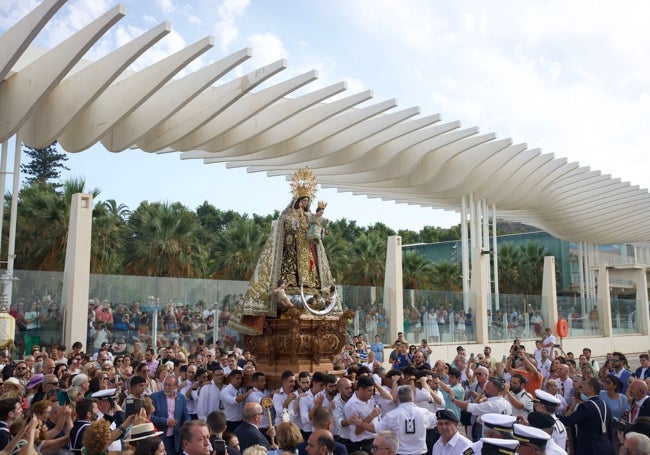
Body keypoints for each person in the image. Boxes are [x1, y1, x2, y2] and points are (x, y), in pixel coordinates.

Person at [229, 168, 336, 336]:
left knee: (312, 278)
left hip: (307, 253)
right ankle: (289, 293)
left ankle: (311, 294)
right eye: (303, 200)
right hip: (291, 254)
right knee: (291, 279)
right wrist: (297, 221)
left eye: (307, 201)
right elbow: (285, 227)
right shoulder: (288, 215)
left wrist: (319, 222)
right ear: (297, 200)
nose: (305, 204)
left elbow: (316, 234)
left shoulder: (309, 217)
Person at [351, 384, 434, 455]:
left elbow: (375, 429)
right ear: (412, 398)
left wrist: (360, 423)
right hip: (420, 453)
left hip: (400, 453)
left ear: (398, 397)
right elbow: (437, 420)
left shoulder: (392, 415)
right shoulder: (423, 412)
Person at [558, 377, 615, 455]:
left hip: (589, 449)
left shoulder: (586, 406)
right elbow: (609, 429)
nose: (582, 386)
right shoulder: (605, 404)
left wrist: (551, 415)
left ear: (591, 389)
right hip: (605, 446)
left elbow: (568, 421)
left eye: (585, 385)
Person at [151, 374, 191, 455]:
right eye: (165, 384)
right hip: (160, 438)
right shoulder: (155, 397)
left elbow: (186, 415)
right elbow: (150, 417)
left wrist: (185, 425)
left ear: (176, 386)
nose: (166, 387)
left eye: (169, 385)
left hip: (176, 438)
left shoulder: (181, 398)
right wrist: (166, 421)